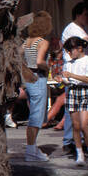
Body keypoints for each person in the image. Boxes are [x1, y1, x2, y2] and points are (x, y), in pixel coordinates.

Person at [20, 12, 53, 162]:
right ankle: (31, 150)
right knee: (37, 116)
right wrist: (47, 68)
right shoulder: (42, 42)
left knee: (33, 114)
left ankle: (31, 148)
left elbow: (18, 55)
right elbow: (40, 61)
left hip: (27, 79)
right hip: (38, 77)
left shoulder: (27, 41)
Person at [62, 35, 88, 167]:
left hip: (85, 91)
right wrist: (63, 80)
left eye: (70, 51)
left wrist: (71, 76)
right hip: (72, 91)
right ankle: (79, 153)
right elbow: (67, 80)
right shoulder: (68, 63)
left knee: (84, 125)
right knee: (75, 125)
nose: (69, 54)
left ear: (79, 48)